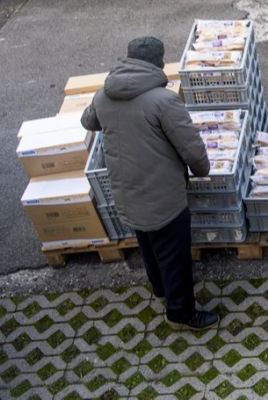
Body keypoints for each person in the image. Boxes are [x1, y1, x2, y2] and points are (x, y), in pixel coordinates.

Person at [81, 37, 218, 330]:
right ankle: (180, 312)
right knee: (174, 254)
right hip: (162, 195)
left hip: (125, 190)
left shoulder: (104, 95)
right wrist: (202, 169)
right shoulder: (163, 100)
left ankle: (160, 290)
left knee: (148, 243)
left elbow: (88, 122)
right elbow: (191, 147)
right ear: (157, 62)